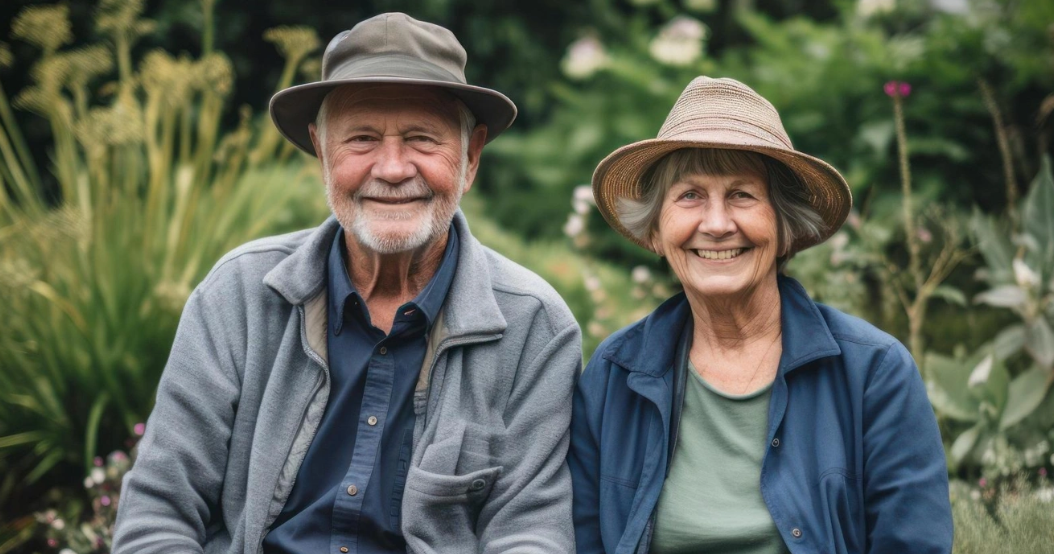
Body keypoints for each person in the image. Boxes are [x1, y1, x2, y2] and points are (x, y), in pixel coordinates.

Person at [112, 13, 581, 554]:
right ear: (321, 152)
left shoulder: (533, 326)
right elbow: (157, 513)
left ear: (470, 157)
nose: (392, 167)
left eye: (422, 139)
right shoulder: (237, 295)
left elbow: (529, 533)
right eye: (361, 139)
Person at [568, 76, 952, 554]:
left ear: (784, 225)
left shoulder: (874, 372)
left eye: (741, 195)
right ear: (654, 232)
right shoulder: (614, 376)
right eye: (689, 195)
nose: (716, 224)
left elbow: (912, 543)